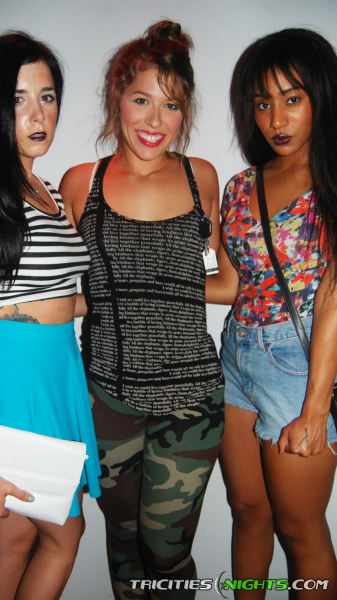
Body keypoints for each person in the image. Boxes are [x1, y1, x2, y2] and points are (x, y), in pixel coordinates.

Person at [60, 20, 224, 600]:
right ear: (118, 98)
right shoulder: (81, 183)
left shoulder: (201, 176)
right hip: (107, 396)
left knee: (166, 549)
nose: (155, 120)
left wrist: (160, 288)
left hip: (191, 398)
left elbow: (225, 281)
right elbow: (74, 289)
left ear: (186, 112)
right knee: (123, 540)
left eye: (171, 105)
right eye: (142, 100)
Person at [0, 32, 100, 600]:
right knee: (49, 535)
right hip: (10, 375)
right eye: (17, 99)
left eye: (47, 97)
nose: (37, 114)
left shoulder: (45, 190)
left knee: (32, 532)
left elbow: (51, 296)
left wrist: (121, 296)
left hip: (58, 366)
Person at [206, 28, 337, 599]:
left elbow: (333, 298)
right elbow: (232, 284)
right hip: (236, 353)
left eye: (292, 98)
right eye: (263, 103)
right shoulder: (242, 187)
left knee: (300, 531)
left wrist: (315, 408)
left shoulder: (332, 183)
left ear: (321, 96)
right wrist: (152, 283)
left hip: (300, 365)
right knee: (247, 511)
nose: (276, 119)